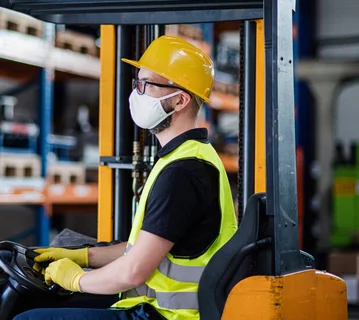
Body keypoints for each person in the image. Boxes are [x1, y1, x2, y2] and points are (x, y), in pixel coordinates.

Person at [15, 36, 238, 320]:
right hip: (154, 307)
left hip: (166, 315)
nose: (136, 94)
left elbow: (134, 270)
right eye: (137, 83)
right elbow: (142, 250)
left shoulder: (184, 171)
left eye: (147, 85)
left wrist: (76, 280)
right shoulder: (186, 157)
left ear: (180, 100)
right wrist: (83, 257)